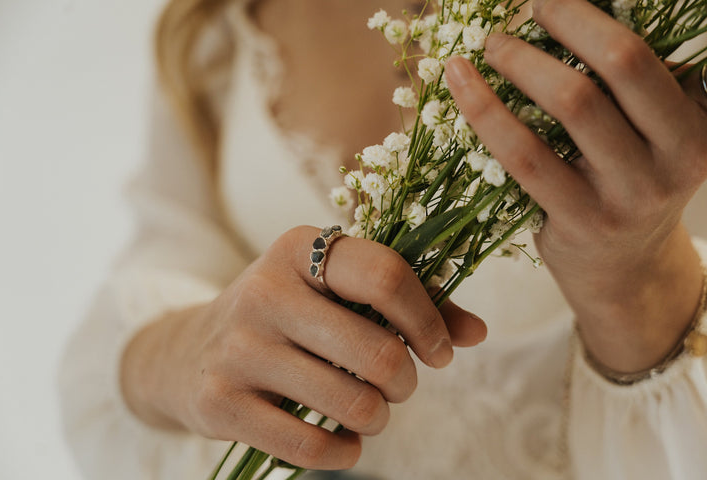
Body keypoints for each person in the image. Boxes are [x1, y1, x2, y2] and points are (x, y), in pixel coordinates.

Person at [59, 0, 707, 478]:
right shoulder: (215, 27)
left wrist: (637, 286)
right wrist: (185, 353)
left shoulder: (672, 40)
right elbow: (169, 251)